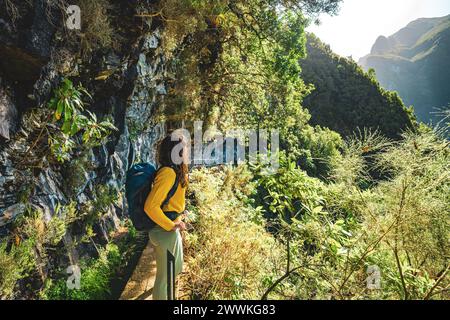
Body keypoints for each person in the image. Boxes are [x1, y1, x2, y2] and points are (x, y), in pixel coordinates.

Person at [144, 133, 189, 300]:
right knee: (164, 280)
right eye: (184, 148)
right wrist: (171, 225)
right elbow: (150, 206)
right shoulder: (168, 173)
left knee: (175, 270)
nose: (187, 152)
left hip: (170, 229)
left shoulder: (175, 172)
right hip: (164, 231)